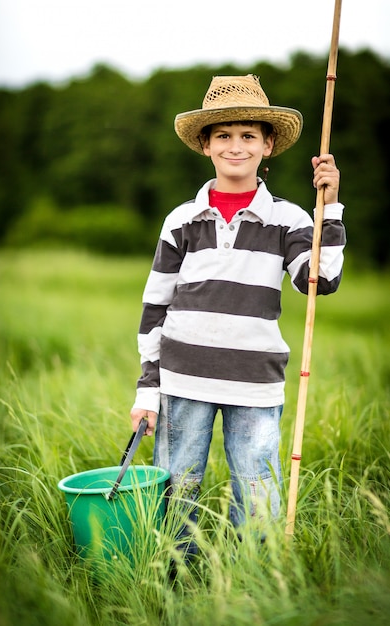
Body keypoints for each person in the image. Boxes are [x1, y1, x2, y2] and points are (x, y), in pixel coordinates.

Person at [130, 74, 346, 553]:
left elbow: (319, 281)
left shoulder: (290, 219)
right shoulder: (181, 219)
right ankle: (173, 578)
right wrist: (149, 386)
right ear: (205, 145)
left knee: (257, 495)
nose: (236, 146)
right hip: (183, 378)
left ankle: (249, 584)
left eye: (248, 136)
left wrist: (329, 210)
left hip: (255, 380)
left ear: (268, 146)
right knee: (176, 489)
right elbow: (155, 305)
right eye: (223, 136)